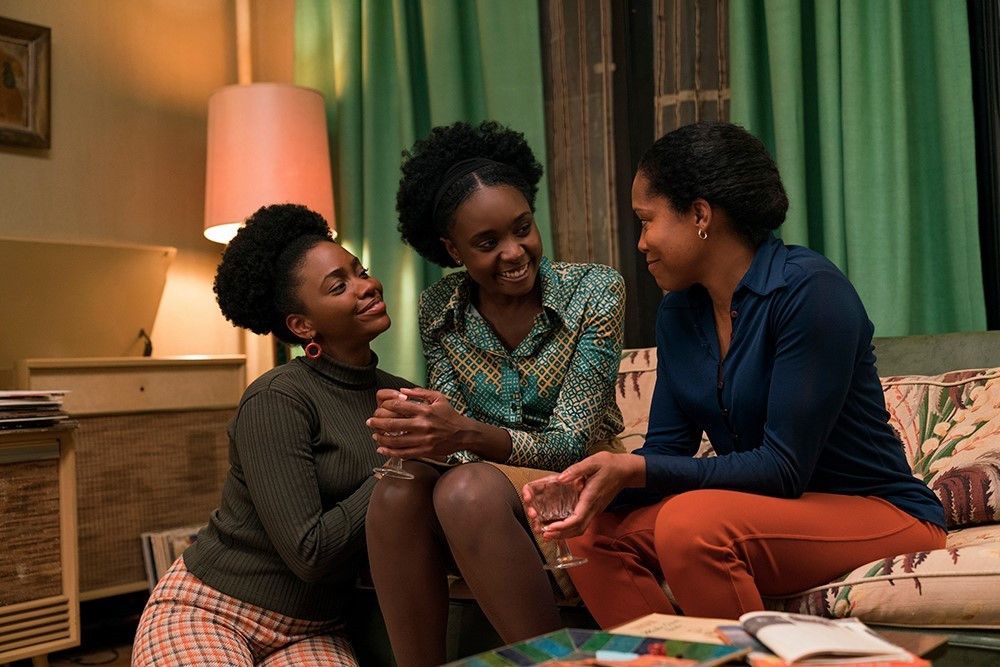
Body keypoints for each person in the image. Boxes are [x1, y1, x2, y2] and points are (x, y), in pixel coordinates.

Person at [529, 122, 947, 628]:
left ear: (700, 215)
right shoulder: (679, 312)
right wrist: (587, 487)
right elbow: (666, 451)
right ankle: (667, 660)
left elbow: (783, 468)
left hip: (877, 510)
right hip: (768, 511)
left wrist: (633, 471)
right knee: (589, 534)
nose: (641, 243)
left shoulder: (810, 291)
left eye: (646, 221)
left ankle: (748, 660)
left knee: (690, 523)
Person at [365, 120, 626, 666]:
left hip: (580, 476)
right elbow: (452, 433)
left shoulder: (595, 290)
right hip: (481, 476)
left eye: (522, 228)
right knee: (395, 489)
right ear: (452, 249)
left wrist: (461, 433)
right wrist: (419, 431)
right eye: (487, 243)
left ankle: (555, 664)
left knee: (466, 491)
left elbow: (572, 442)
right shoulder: (439, 308)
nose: (514, 252)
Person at [132, 204, 411, 666]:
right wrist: (398, 464)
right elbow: (309, 553)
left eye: (360, 272)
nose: (367, 286)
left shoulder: (401, 397)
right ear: (302, 325)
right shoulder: (278, 398)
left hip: (314, 629)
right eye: (339, 286)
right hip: (211, 610)